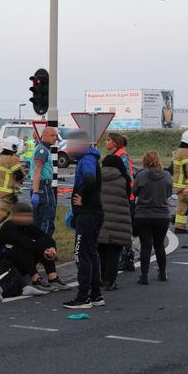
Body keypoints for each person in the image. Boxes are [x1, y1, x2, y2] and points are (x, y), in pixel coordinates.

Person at [63, 139, 105, 309]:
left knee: (82, 254)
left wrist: (83, 198)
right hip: (93, 213)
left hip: (87, 214)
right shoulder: (91, 158)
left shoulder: (87, 159)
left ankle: (83, 297)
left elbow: (89, 179)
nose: (69, 149)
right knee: (92, 254)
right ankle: (95, 295)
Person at [0, 202, 62, 296]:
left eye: (29, 216)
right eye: (25, 216)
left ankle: (53, 277)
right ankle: (35, 279)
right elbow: (25, 243)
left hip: (20, 263)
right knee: (25, 247)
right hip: (5, 265)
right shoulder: (9, 227)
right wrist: (43, 250)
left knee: (43, 243)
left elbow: (45, 237)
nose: (29, 219)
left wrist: (52, 248)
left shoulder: (27, 226)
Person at [133, 151, 172, 284]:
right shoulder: (166, 175)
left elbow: (134, 192)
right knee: (159, 245)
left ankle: (144, 275)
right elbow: (168, 193)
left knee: (146, 246)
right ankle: (162, 273)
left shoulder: (141, 175)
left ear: (144, 161)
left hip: (143, 215)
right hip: (161, 215)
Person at [98, 154, 133, 291]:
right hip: (119, 221)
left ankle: (101, 278)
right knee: (114, 252)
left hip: (100, 219)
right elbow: (128, 197)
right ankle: (110, 281)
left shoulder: (97, 177)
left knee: (101, 252)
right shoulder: (123, 179)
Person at [104, 132, 137, 272]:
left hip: (124, 198)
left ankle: (127, 257)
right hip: (120, 197)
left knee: (123, 229)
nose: (106, 142)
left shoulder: (121, 156)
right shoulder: (117, 155)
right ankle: (125, 257)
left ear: (115, 143)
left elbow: (126, 177)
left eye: (108, 140)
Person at [0, 136, 25, 238]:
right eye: (16, 146)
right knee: (3, 213)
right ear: (13, 147)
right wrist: (23, 172)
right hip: (9, 191)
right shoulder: (12, 159)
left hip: (4, 190)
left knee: (7, 213)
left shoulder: (3, 158)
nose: (18, 148)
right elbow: (18, 175)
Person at [30, 126, 59, 238]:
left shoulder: (44, 149)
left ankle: (35, 246)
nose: (55, 138)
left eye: (55, 135)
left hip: (40, 188)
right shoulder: (42, 150)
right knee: (47, 219)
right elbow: (38, 170)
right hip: (43, 188)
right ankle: (44, 247)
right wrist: (36, 192)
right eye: (52, 135)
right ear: (44, 135)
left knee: (37, 220)